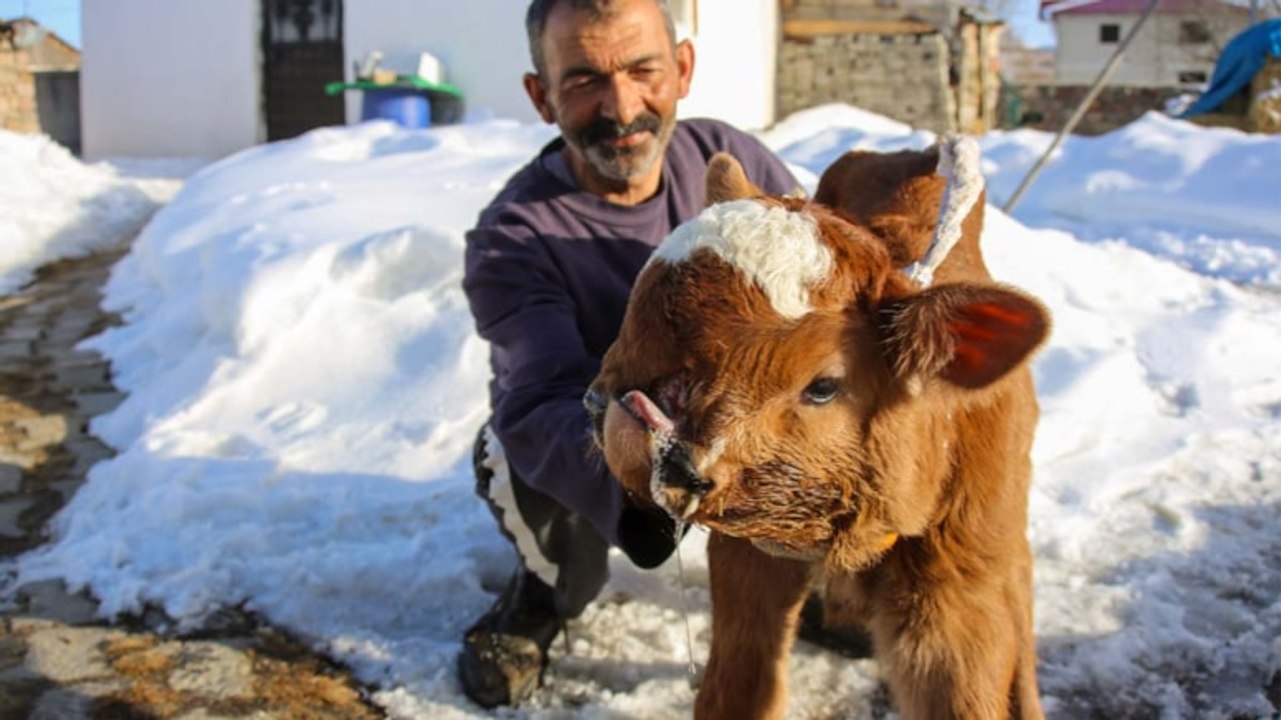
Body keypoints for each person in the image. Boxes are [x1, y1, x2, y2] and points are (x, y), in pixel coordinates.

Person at [458, 0, 800, 708]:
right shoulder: (513, 238)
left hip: (741, 424)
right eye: (584, 80)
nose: (621, 108)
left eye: (643, 70)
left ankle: (814, 581)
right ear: (541, 97)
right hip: (605, 443)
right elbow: (542, 395)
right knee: (511, 449)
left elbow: (815, 286)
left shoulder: (730, 161)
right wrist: (649, 470)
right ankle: (548, 591)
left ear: (682, 68)